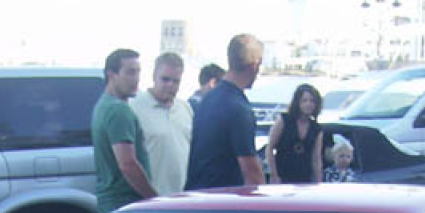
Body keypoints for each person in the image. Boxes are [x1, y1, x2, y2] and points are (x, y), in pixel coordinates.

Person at [184, 35, 265, 190]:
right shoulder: (239, 109)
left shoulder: (207, 99)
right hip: (223, 202)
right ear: (255, 65)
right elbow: (252, 174)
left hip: (197, 197)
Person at [91, 48, 156, 213]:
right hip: (126, 204)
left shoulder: (103, 106)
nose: (136, 79)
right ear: (112, 75)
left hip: (112, 206)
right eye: (130, 73)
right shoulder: (118, 110)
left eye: (138, 72)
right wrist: (153, 199)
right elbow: (127, 164)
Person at [130, 52, 193, 195]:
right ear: (154, 76)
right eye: (165, 79)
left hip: (181, 198)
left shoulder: (185, 108)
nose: (170, 85)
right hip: (149, 198)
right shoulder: (135, 109)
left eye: (175, 81)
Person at [267, 84, 324, 184]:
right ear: (297, 102)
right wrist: (274, 175)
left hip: (304, 180)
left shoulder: (316, 129)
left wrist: (318, 181)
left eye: (312, 101)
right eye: (305, 100)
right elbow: (270, 148)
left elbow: (316, 158)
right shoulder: (284, 121)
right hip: (282, 176)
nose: (308, 104)